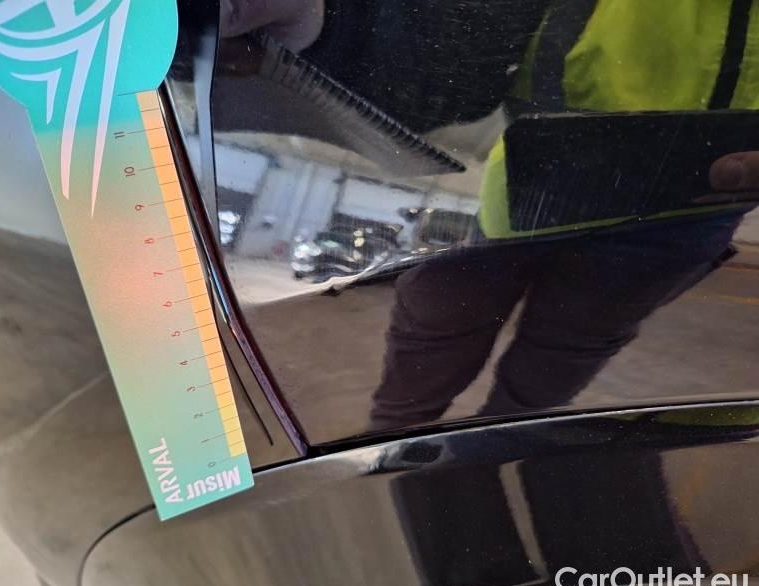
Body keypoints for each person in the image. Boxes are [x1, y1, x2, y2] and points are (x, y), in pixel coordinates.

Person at [221, 0, 759, 430]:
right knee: (441, 325)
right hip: (543, 156)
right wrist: (340, 21)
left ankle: (499, 441)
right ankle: (397, 441)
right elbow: (460, 34)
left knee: (561, 356)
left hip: (703, 195)